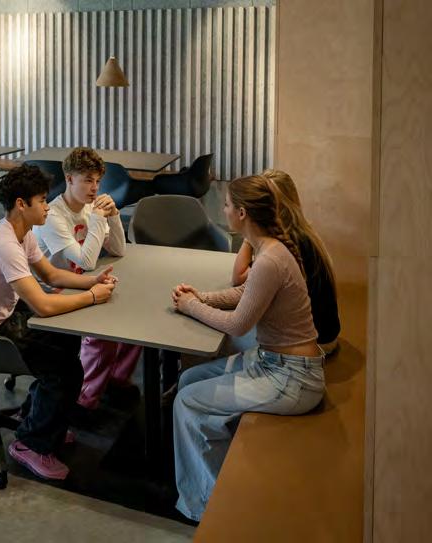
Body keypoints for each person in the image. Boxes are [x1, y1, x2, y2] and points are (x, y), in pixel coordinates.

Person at [171, 174, 326, 521]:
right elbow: (246, 293)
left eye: (226, 205)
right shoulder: (270, 248)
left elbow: (238, 325)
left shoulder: (270, 259)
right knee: (189, 380)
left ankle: (210, 508)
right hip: (276, 363)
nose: (223, 210)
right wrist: (200, 297)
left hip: (292, 379)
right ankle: (215, 474)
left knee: (186, 401)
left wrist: (191, 307)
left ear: (242, 213)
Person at [0, 164, 117, 480]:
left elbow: (52, 275)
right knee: (66, 371)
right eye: (41, 200)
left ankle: (37, 418)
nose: (47, 206)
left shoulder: (22, 231)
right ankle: (30, 444)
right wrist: (93, 297)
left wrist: (92, 281)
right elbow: (42, 305)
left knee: (67, 339)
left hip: (2, 315)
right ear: (21, 204)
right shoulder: (5, 244)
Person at [33, 147, 141, 411]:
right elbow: (86, 262)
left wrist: (114, 216)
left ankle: (114, 380)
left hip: (79, 282)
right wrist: (97, 219)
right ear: (69, 179)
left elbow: (119, 249)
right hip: (53, 291)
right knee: (104, 335)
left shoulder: (91, 208)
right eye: (88, 180)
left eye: (98, 181)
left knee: (135, 322)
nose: (95, 188)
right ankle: (84, 401)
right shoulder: (53, 216)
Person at [232, 169, 340, 354]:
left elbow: (239, 277)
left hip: (314, 343)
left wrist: (250, 230)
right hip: (325, 333)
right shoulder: (302, 231)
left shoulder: (287, 243)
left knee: (232, 335)